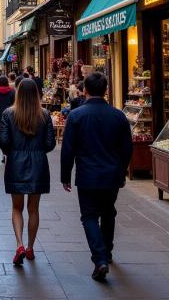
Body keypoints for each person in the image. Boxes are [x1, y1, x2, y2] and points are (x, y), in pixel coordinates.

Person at [60, 72, 133, 282]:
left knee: (89, 216)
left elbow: (68, 149)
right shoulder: (118, 115)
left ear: (85, 91)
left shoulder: (76, 116)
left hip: (87, 175)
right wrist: (122, 170)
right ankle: (107, 253)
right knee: (108, 212)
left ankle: (100, 258)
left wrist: (65, 175)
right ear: (106, 91)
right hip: (111, 175)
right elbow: (127, 148)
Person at [0, 79, 56, 266]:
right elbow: (50, 144)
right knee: (34, 208)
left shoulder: (8, 114)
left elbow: (4, 142)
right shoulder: (45, 115)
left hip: (15, 163)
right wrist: (38, 152)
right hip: (38, 164)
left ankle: (20, 245)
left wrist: (13, 153)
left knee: (17, 207)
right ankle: (31, 247)